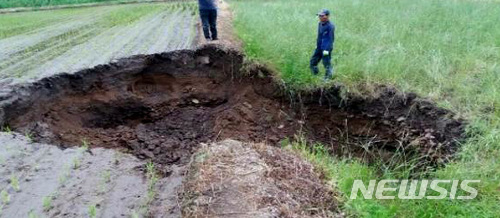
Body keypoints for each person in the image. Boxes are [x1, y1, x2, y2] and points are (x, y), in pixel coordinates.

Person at [310, 9, 335, 80]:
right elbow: (319, 36)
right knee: (313, 62)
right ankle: (315, 76)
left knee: (326, 64)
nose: (320, 17)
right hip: (319, 47)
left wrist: (327, 49)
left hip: (326, 48)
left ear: (327, 16)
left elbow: (330, 39)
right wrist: (317, 46)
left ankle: (328, 78)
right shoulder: (320, 24)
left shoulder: (330, 26)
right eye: (319, 15)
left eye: (322, 16)